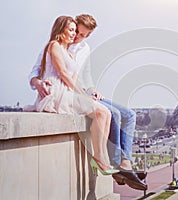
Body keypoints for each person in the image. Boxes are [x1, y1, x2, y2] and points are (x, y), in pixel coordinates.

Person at [28, 14, 147, 190]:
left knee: (129, 114)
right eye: (75, 32)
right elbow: (40, 72)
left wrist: (91, 91)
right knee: (110, 113)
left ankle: (125, 162)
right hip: (69, 93)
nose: (77, 36)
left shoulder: (82, 49)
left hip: (83, 92)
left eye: (82, 34)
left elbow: (85, 77)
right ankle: (115, 165)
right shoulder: (55, 46)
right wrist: (38, 83)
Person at [25, 16, 119, 176]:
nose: (74, 34)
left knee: (107, 113)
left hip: (69, 92)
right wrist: (83, 96)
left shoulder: (71, 52)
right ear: (60, 29)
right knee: (102, 113)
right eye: (71, 30)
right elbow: (63, 74)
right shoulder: (54, 46)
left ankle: (101, 157)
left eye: (75, 31)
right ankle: (99, 159)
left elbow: (76, 77)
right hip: (58, 93)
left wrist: (88, 92)